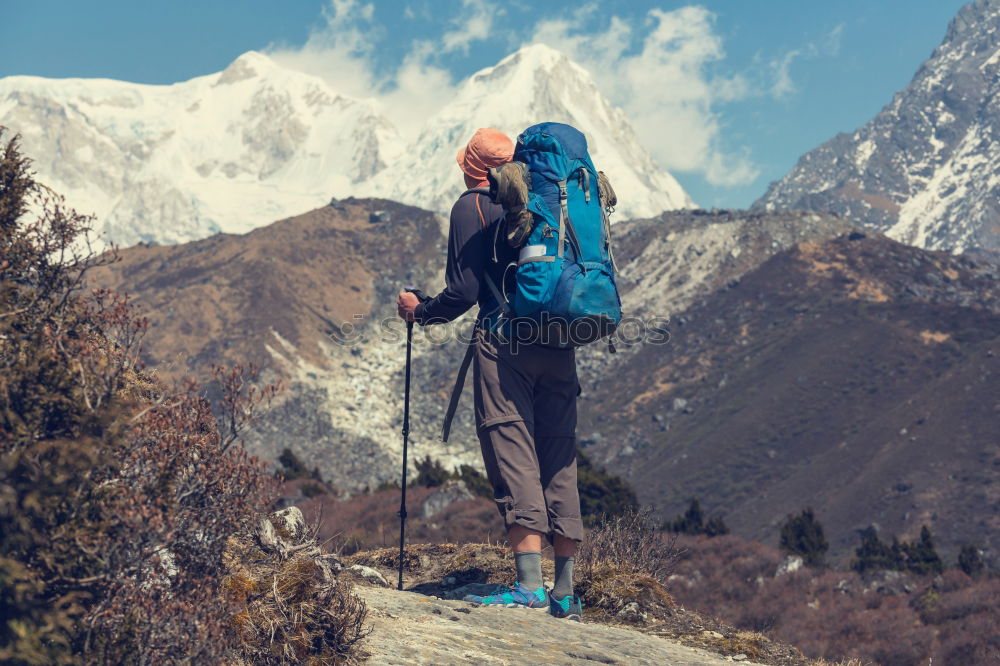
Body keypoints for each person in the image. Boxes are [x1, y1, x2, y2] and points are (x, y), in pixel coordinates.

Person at [396, 127, 584, 620]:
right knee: (559, 450)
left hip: (506, 341)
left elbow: (460, 293)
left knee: (512, 446)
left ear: (471, 167)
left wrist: (420, 311)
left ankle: (528, 586)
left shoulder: (473, 204)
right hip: (559, 339)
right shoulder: (548, 201)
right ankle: (565, 591)